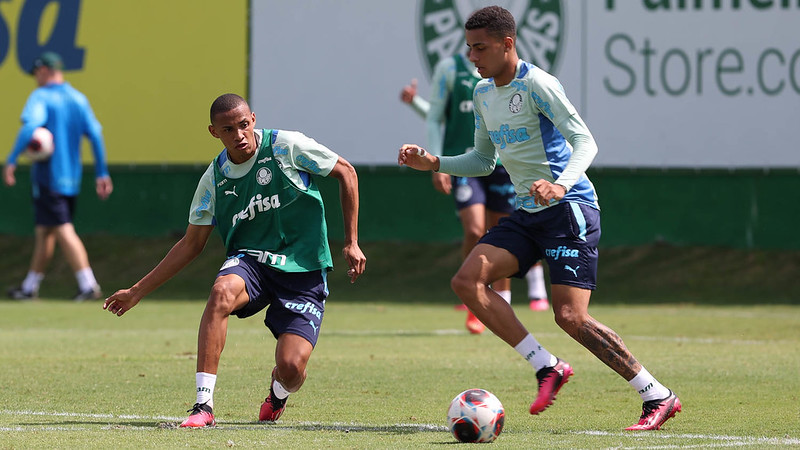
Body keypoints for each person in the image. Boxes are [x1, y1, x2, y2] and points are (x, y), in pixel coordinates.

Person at [398, 6, 680, 431]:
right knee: (466, 282)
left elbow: (585, 141)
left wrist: (561, 185)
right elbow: (481, 159)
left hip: (570, 209)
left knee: (570, 317)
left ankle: (655, 393)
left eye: (480, 48)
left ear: (507, 44)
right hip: (528, 213)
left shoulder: (538, 84)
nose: (472, 57)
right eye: (468, 48)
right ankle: (547, 366)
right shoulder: (482, 93)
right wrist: (435, 162)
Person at [103, 93, 366, 428]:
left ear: (253, 119)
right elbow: (190, 244)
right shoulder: (214, 178)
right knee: (221, 292)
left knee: (292, 368)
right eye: (229, 129)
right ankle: (203, 406)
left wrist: (352, 243)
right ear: (214, 132)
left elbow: (346, 172)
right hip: (252, 264)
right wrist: (138, 291)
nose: (239, 134)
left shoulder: (287, 147)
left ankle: (278, 393)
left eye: (244, 125)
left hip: (303, 269)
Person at [398, 56, 549, 336]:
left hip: (503, 165)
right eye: (473, 44)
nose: (476, 51)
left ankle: (503, 304)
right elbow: (437, 116)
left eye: (482, 44)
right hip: (466, 162)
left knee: (504, 233)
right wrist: (437, 162)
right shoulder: (451, 68)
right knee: (475, 229)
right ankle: (474, 294)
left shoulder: (512, 74)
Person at [3, 51, 112, 301]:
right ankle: (29, 287)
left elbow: (31, 126)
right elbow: (95, 134)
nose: (35, 79)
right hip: (71, 179)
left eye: (35, 74)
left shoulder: (41, 96)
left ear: (43, 70)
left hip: (49, 178)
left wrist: (11, 160)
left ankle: (88, 284)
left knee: (63, 229)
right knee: (45, 231)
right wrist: (101, 172)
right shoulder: (78, 99)